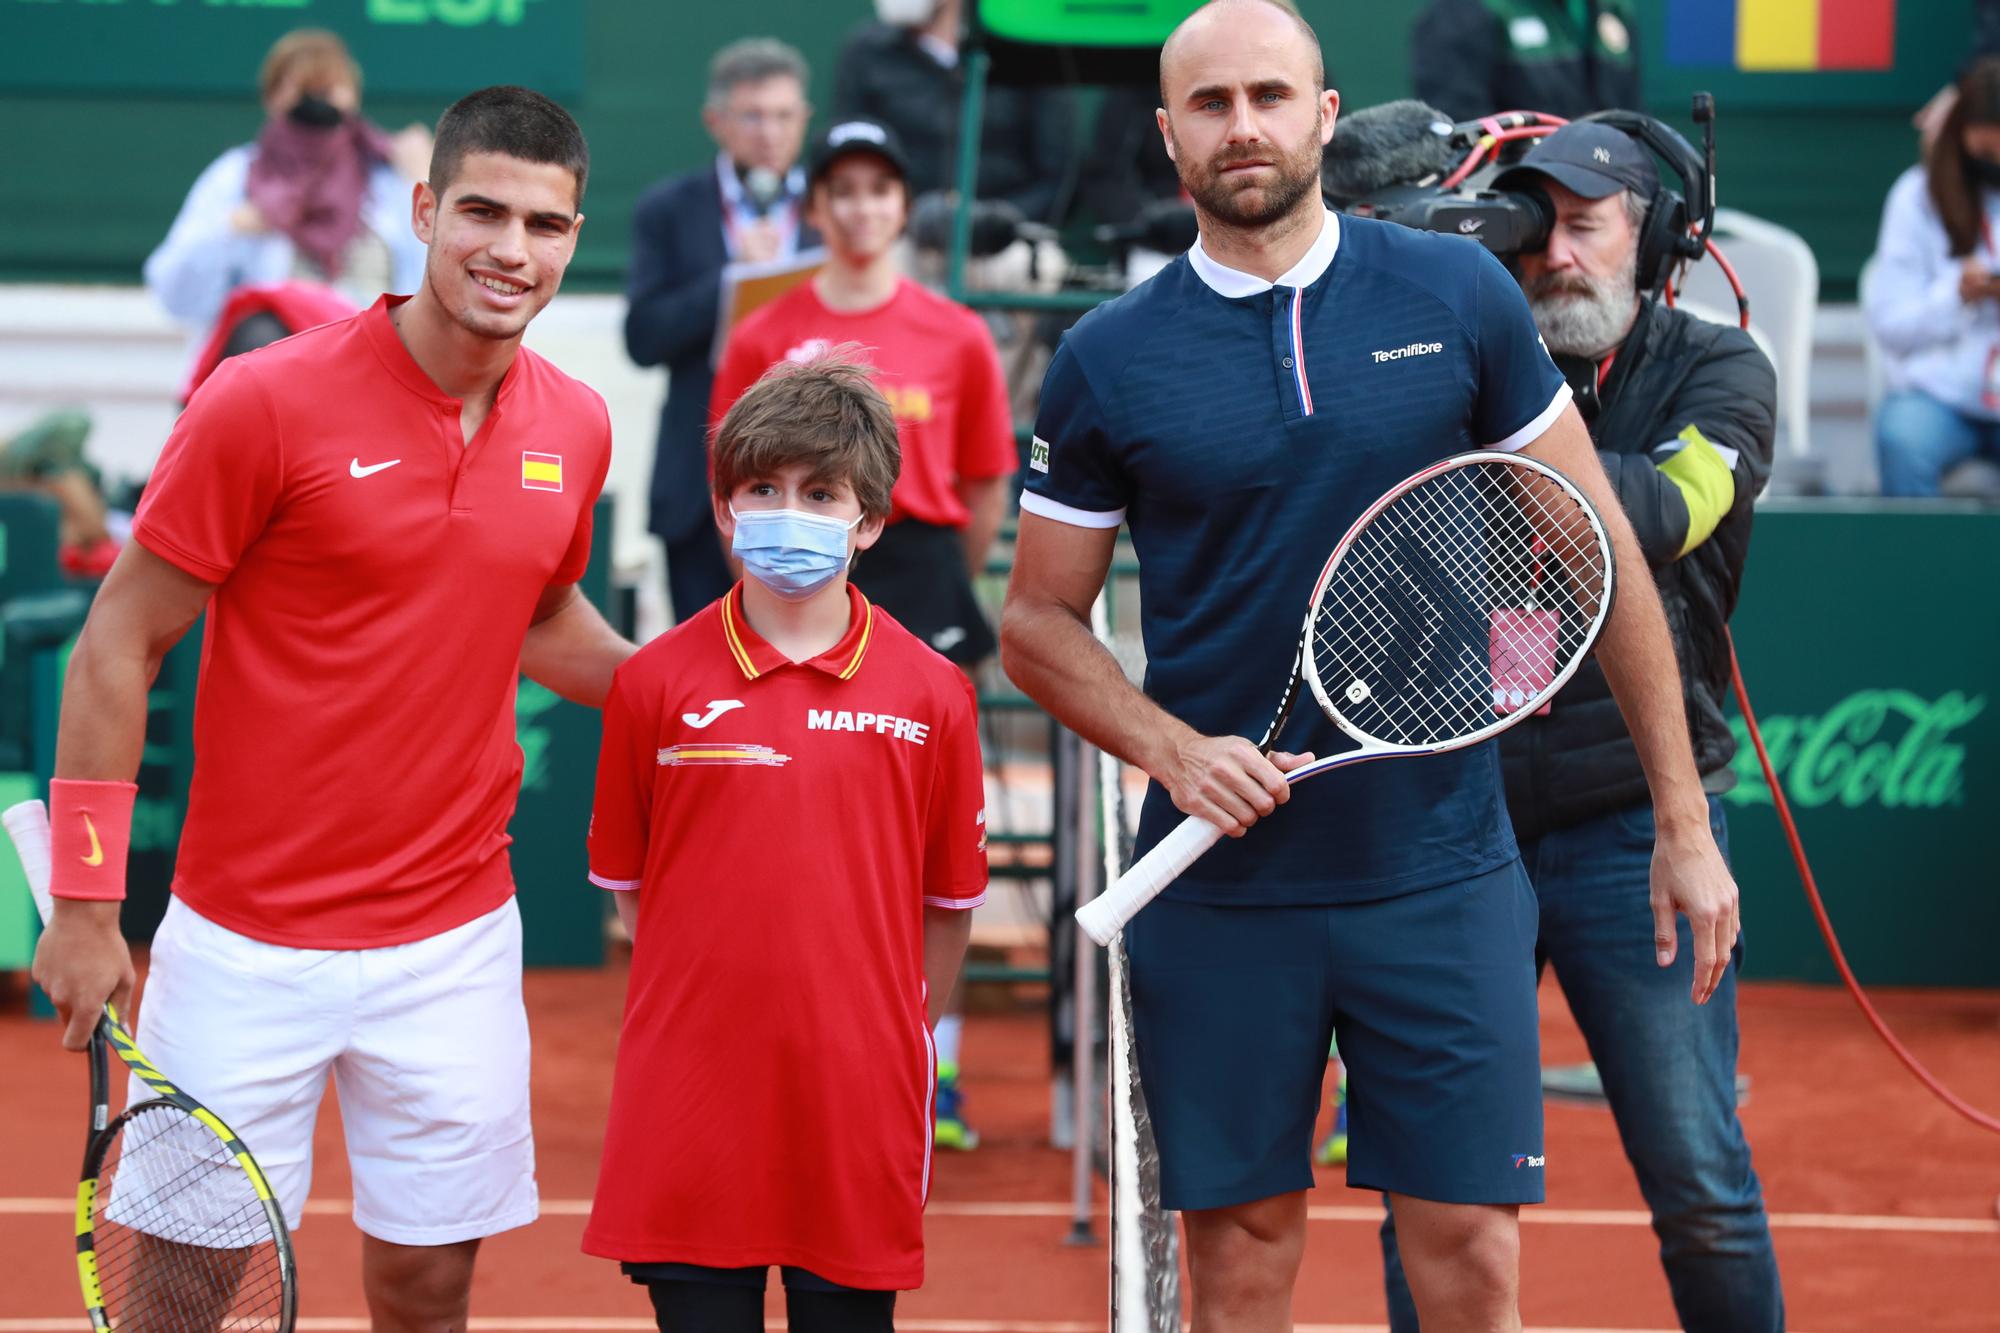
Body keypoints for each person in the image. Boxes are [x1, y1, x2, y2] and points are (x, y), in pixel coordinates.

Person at [999, 4, 1741, 1330]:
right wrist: (1172, 748)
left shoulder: (1455, 296)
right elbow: (1038, 624)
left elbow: (1600, 559)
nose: (1246, 127)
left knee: (1470, 1262)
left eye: (1271, 97)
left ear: (1325, 118)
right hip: (1221, 890)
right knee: (1242, 1271)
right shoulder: (1108, 360)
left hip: (1442, 870)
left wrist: (1682, 823)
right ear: (1169, 138)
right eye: (1212, 105)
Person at [31, 86, 632, 1333]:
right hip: (244, 941)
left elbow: (536, 613)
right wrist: (90, 907)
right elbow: (116, 641)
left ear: (573, 238)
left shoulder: (574, 424)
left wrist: (689, 690)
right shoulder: (262, 401)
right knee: (189, 1294)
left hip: (455, 940)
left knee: (427, 1286)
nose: (508, 250)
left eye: (543, 223)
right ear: (422, 210)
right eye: (480, 211)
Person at [1369, 120, 1785, 1333]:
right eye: (1524, 225)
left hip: (1628, 834)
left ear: (1654, 243)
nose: (1550, 254)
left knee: (1698, 1178)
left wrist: (1501, 409)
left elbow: (1649, 513)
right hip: (1454, 824)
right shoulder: (1436, 360)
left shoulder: (1723, 374)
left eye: (1582, 223)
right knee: (1433, 1192)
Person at [581, 355, 984, 1332]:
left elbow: (946, 911)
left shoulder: (935, 693)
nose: (785, 511)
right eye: (761, 487)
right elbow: (634, 897)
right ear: (721, 507)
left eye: (820, 492)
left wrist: (881, 1036)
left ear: (871, 520)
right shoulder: (651, 686)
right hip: (690, 1094)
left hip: (856, 1097)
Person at [711, 121, 1014, 1148]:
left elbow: (981, 481)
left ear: (902, 206)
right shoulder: (764, 331)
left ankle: (935, 1064)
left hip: (918, 565)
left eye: (878, 190)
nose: (858, 208)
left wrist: (934, 584)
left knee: (927, 842)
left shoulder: (955, 330)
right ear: (816, 205)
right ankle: (772, 1044)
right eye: (839, 189)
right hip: (793, 583)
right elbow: (735, 481)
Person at [625, 38, 819, 622]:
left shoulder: (836, 210)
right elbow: (643, 338)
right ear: (716, 121)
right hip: (697, 477)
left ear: (805, 119)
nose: (769, 132)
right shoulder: (669, 208)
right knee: (704, 666)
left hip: (812, 475)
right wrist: (731, 280)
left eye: (784, 115)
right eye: (752, 115)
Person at [144, 28, 430, 365]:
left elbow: (437, 290)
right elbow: (174, 298)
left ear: (353, 96)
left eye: (328, 90)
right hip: (274, 368)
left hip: (372, 367)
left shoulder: (391, 177)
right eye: (303, 92)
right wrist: (231, 228)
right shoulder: (238, 178)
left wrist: (427, 179)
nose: (316, 106)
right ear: (272, 98)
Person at [1866, 56, 2000, 498]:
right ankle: (1915, 568)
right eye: (1984, 156)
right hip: (1939, 395)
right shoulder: (1916, 197)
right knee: (1903, 439)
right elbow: (1890, 325)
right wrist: (1955, 295)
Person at [831, 0, 1077, 226]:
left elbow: (1058, 178)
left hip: (1008, 242)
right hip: (898, 236)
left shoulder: (1029, 47)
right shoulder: (866, 52)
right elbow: (849, 160)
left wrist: (992, 225)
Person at [1410, 0, 1638, 124]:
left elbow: (1635, 121)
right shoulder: (1461, 11)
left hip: (1612, 194)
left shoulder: (1614, 10)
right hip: (1519, 197)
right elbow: (1460, 130)